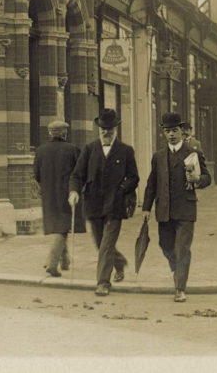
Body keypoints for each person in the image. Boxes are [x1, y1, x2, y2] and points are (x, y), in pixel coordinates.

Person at [68, 108, 139, 296]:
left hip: (115, 206)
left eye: (110, 129)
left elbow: (134, 177)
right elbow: (77, 175)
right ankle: (119, 262)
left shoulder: (125, 151)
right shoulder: (89, 149)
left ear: (116, 129)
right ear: (98, 130)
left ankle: (103, 282)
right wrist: (74, 191)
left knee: (107, 244)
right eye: (103, 130)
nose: (106, 133)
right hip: (93, 205)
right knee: (100, 244)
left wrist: (122, 189)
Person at [141, 112, 211, 303]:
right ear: (163, 133)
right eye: (167, 131)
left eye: (174, 130)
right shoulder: (158, 156)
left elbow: (207, 178)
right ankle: (177, 269)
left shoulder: (192, 154)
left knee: (182, 249)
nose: (171, 134)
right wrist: (146, 208)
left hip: (186, 210)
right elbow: (152, 183)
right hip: (164, 210)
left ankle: (180, 288)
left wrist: (198, 179)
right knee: (165, 245)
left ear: (181, 131)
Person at [33, 120, 85, 277]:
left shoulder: (41, 151)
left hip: (49, 196)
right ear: (65, 133)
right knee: (63, 228)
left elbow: (37, 175)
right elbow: (80, 173)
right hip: (67, 194)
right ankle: (52, 262)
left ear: (50, 133)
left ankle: (65, 260)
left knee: (60, 227)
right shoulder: (72, 150)